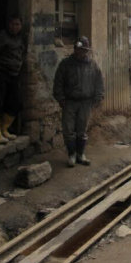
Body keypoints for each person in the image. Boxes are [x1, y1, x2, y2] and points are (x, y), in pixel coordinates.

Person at [53, 36, 104, 167]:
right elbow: (58, 82)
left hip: (86, 102)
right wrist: (61, 98)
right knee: (68, 129)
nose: (82, 52)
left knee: (82, 129)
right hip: (70, 102)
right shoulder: (66, 64)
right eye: (79, 50)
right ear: (75, 49)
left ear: (87, 51)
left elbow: (99, 82)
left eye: (84, 50)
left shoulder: (92, 65)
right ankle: (72, 155)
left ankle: (81, 154)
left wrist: (98, 97)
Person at [0, 15, 25, 144]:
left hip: (14, 75)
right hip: (1, 73)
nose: (15, 27)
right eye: (13, 24)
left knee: (15, 102)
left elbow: (21, 54)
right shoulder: (1, 36)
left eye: (17, 24)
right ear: (8, 24)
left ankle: (4, 129)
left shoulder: (20, 39)